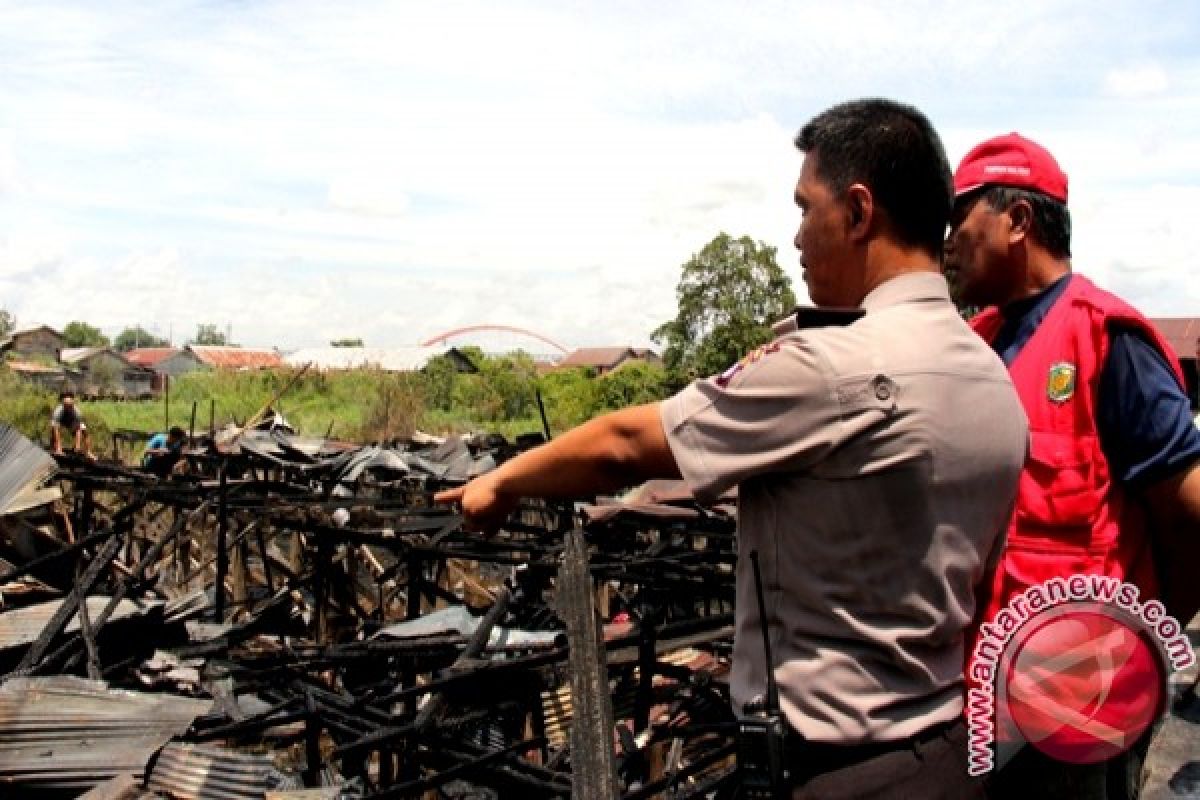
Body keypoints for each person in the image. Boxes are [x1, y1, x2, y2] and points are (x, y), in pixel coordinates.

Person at [437, 98, 1028, 798]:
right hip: (946, 754)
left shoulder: (829, 367)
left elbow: (626, 444)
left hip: (830, 772)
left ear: (859, 211)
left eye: (806, 208)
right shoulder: (995, 378)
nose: (798, 237)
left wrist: (502, 482)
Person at [945, 133, 1200, 799]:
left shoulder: (1107, 342)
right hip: (984, 697)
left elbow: (1189, 516)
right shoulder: (979, 345)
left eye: (959, 216)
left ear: (1018, 220)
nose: (947, 240)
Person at [49, 390, 93, 458]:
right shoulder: (57, 412)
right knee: (53, 431)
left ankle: (88, 452)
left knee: (85, 433)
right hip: (61, 419)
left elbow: (79, 429)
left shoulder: (77, 412)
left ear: (72, 405)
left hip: (72, 420)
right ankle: (54, 448)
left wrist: (77, 446)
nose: (68, 408)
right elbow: (56, 430)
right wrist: (59, 448)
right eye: (66, 406)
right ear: (63, 405)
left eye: (70, 406)